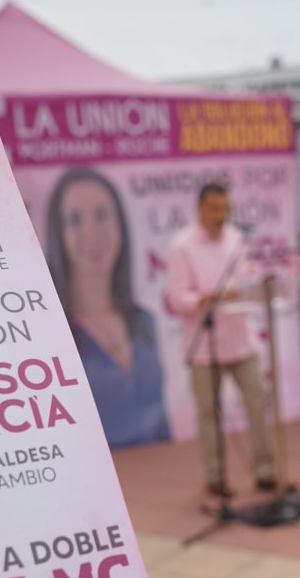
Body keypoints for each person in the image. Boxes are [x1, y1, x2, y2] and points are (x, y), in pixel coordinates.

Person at [44, 166, 170, 448]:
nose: (92, 233)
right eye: (74, 220)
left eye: (103, 216)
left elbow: (162, 419)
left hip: (162, 477)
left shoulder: (144, 322)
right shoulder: (50, 334)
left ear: (121, 225)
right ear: (58, 233)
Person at [165, 182, 277, 497]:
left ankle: (266, 472)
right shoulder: (181, 246)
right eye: (214, 209)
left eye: (225, 209)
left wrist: (257, 282)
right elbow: (177, 299)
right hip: (204, 346)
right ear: (200, 209)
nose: (220, 216)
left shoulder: (237, 239)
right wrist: (208, 297)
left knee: (258, 403)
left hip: (242, 340)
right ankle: (215, 479)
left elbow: (248, 278)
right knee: (208, 414)